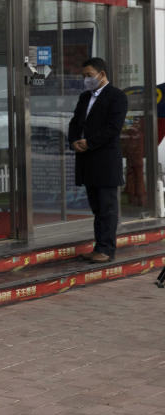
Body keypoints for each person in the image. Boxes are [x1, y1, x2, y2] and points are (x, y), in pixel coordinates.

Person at [68, 57, 127, 263]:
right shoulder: (85, 97)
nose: (86, 80)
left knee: (107, 208)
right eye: (83, 76)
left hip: (105, 160)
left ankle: (106, 249)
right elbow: (75, 122)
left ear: (102, 74)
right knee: (97, 208)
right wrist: (74, 140)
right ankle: (98, 246)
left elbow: (113, 128)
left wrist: (90, 142)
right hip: (87, 161)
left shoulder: (117, 96)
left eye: (89, 76)